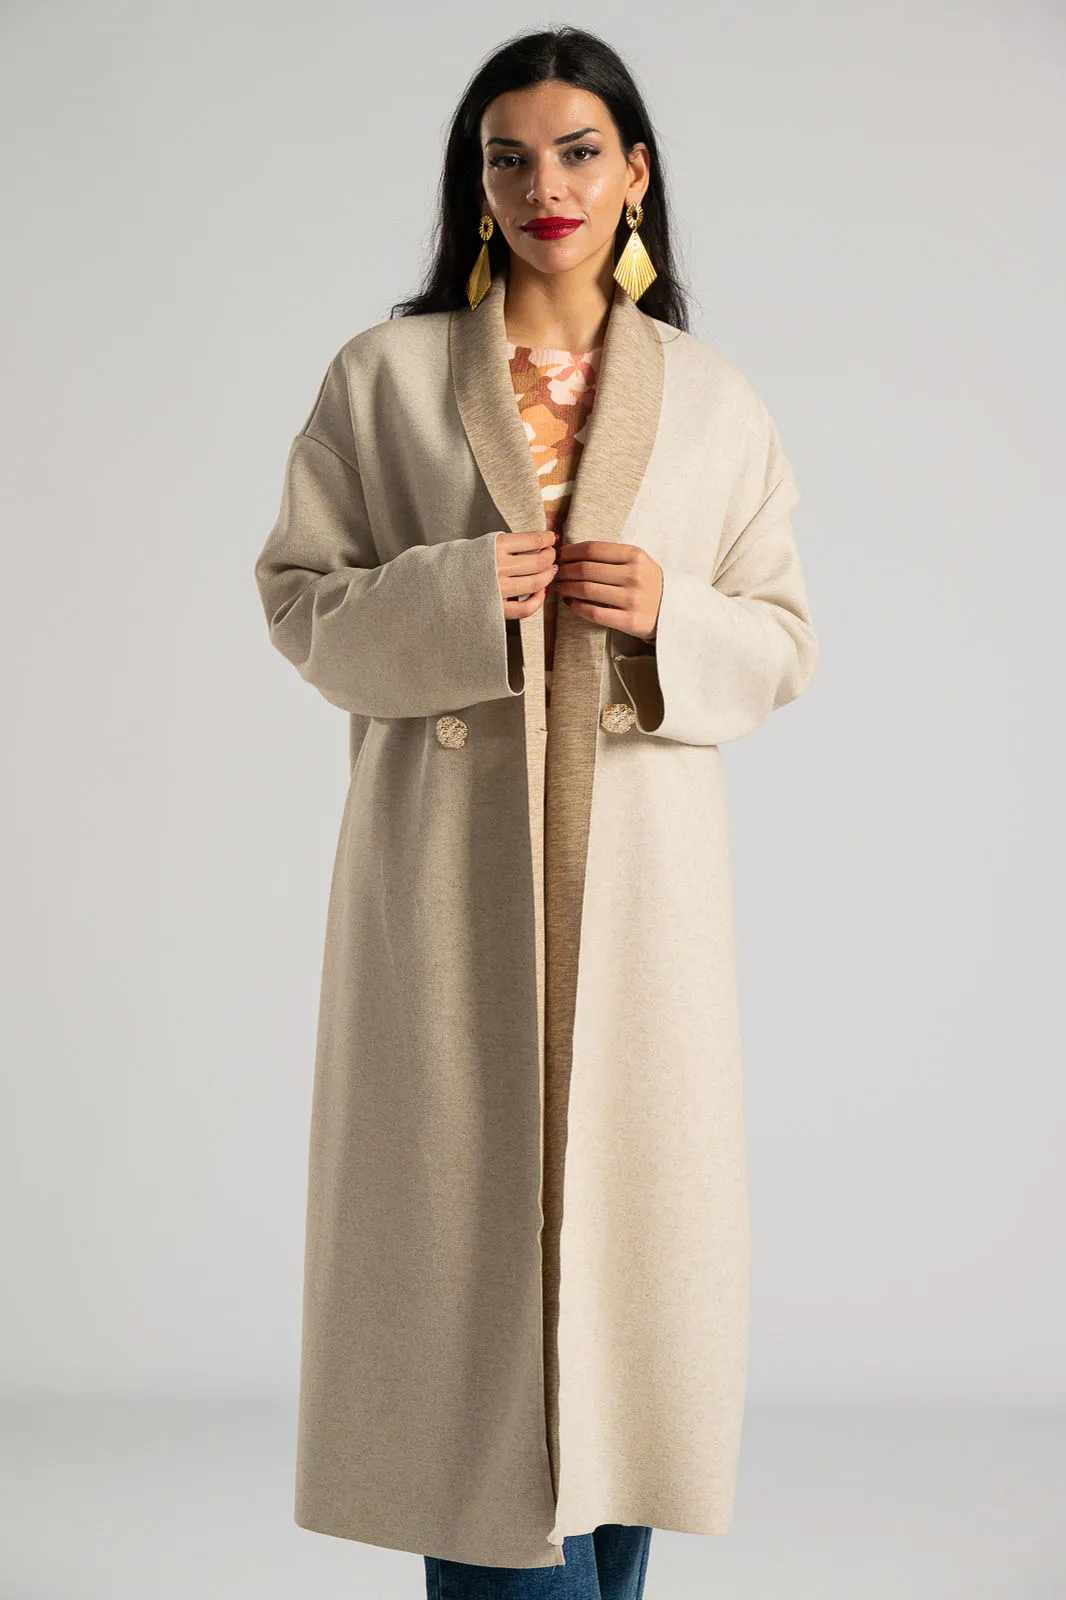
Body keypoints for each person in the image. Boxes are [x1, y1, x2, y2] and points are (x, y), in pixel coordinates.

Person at [253, 24, 819, 1600]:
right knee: (468, 1303)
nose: (542, 185)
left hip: (640, 904)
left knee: (629, 1311)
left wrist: (665, 616)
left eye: (577, 152)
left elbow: (782, 640)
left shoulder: (711, 402)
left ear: (634, 174)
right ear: (476, 183)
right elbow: (299, 602)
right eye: (506, 157)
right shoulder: (383, 378)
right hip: (444, 890)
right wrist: (454, 594)